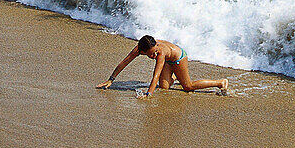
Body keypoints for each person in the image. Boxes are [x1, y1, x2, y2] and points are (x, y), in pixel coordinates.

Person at [96, 35, 229, 97]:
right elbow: (124, 63)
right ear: (142, 51)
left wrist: (148, 94)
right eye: (151, 54)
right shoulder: (138, 49)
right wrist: (110, 80)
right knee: (165, 87)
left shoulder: (160, 52)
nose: (155, 55)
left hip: (178, 58)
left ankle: (220, 82)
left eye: (155, 52)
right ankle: (175, 77)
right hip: (168, 62)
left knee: (188, 87)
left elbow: (156, 75)